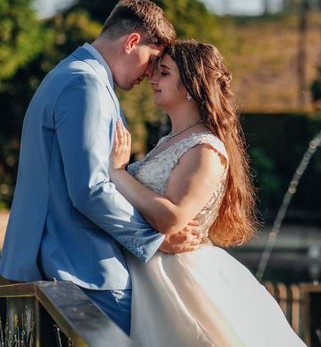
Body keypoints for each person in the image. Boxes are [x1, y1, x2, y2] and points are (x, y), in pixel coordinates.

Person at [0, 0, 201, 334]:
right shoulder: (85, 85)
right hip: (83, 271)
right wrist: (154, 239)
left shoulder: (69, 74)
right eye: (152, 60)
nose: (150, 73)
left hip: (63, 266)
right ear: (132, 41)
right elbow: (90, 189)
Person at [109, 39, 306, 346]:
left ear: (190, 86)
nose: (153, 78)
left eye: (164, 73)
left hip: (178, 277)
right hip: (152, 269)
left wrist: (118, 174)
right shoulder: (170, 141)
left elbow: (172, 218)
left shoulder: (204, 148)